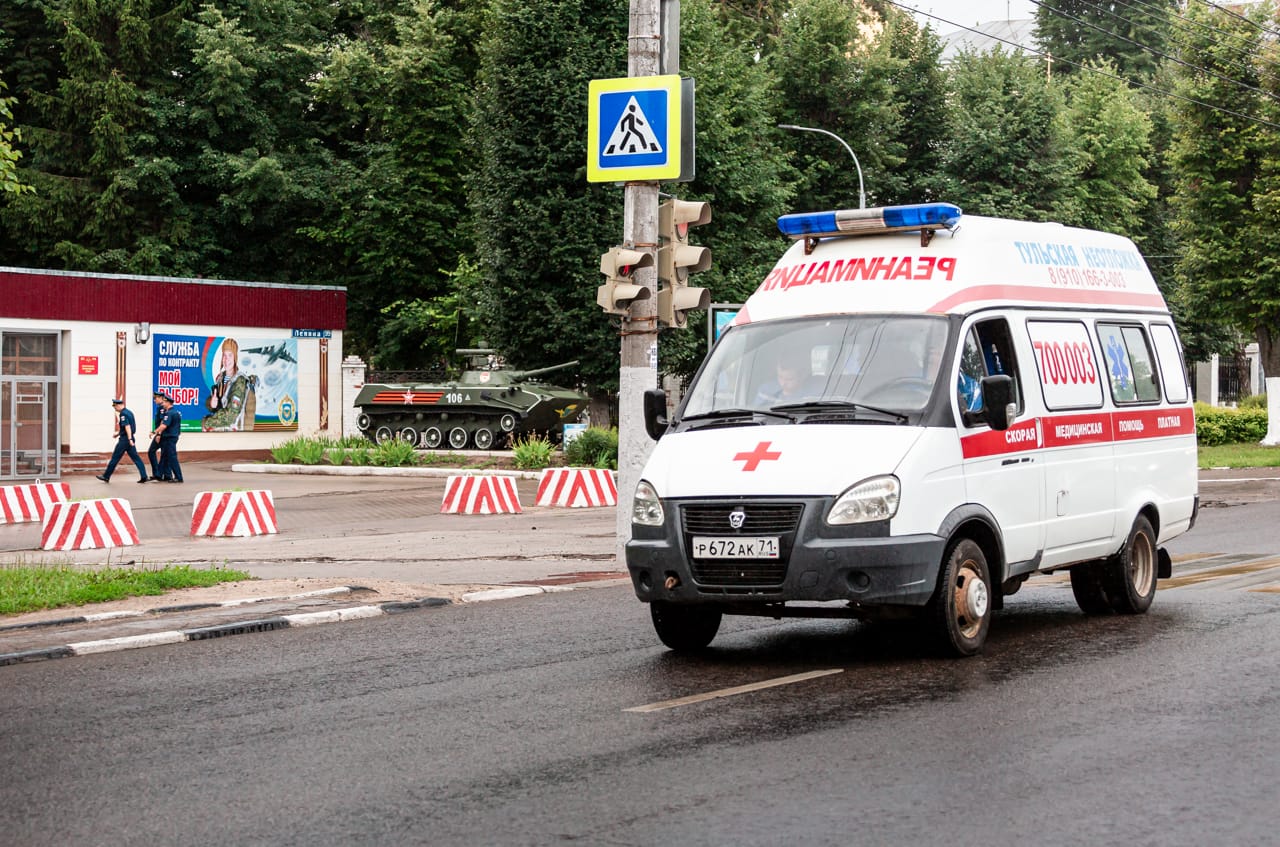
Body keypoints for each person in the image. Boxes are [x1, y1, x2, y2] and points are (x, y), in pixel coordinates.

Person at [203, 338, 257, 431]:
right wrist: (211, 403)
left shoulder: (240, 382)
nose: (226, 359)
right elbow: (218, 404)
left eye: (230, 355)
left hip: (238, 435)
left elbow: (230, 416)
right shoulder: (221, 379)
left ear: (235, 357)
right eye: (224, 355)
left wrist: (206, 423)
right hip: (224, 432)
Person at [96, 399, 149, 483]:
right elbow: (127, 428)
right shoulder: (129, 412)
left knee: (115, 458)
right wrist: (119, 434)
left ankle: (106, 476)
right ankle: (144, 476)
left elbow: (127, 427)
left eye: (115, 407)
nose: (115, 409)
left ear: (119, 405)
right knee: (136, 458)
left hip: (125, 440)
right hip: (129, 438)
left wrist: (129, 439)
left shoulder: (123, 414)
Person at [152, 394, 184, 483]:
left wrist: (155, 432)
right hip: (170, 437)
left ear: (168, 403)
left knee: (172, 458)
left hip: (170, 438)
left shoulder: (169, 413)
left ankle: (178, 477)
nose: (163, 404)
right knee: (164, 457)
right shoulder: (175, 412)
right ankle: (159, 475)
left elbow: (163, 425)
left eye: (165, 402)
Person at [147, 390, 167, 480]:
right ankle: (163, 474)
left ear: (160, 398)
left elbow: (163, 421)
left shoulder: (162, 407)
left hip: (161, 434)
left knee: (151, 451)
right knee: (164, 454)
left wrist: (158, 434)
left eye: (155, 398)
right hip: (162, 433)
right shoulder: (160, 407)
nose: (154, 400)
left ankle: (158, 473)